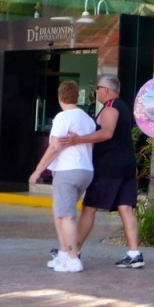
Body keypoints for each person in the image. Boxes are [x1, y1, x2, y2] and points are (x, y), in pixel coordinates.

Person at [63, 74, 144, 268]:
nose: (96, 92)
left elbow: (106, 132)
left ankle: (74, 252)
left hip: (108, 167)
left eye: (97, 88)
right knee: (126, 208)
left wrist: (77, 140)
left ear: (106, 89)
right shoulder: (123, 107)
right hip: (126, 166)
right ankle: (134, 254)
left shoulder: (111, 108)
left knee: (89, 208)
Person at [29, 80, 96, 273]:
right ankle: (63, 253)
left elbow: (54, 147)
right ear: (77, 96)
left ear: (60, 98)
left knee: (66, 216)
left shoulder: (63, 117)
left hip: (67, 171)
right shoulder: (87, 119)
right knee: (59, 211)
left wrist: (38, 171)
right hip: (86, 170)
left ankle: (73, 259)